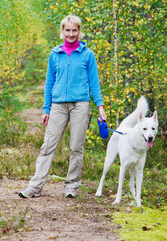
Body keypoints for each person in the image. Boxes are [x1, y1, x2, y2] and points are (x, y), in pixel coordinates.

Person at [19, 15, 106, 199]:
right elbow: (49, 83)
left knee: (76, 147)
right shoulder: (54, 54)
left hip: (80, 105)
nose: (71, 34)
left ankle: (72, 186)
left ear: (79, 31)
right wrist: (46, 108)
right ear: (62, 32)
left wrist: (100, 107)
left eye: (75, 30)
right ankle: (34, 187)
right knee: (48, 145)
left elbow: (94, 83)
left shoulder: (88, 54)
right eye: (68, 30)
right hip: (58, 106)